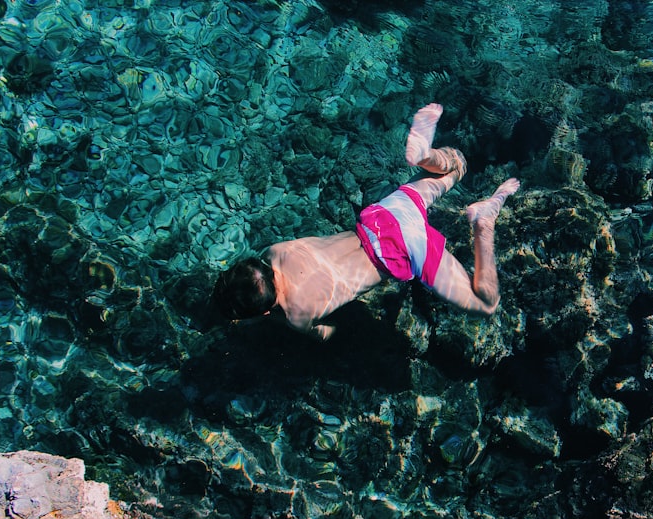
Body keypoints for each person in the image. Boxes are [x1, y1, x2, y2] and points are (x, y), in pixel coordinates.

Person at [212, 103, 520, 341]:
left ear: (265, 310)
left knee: (486, 303)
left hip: (403, 249)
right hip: (383, 216)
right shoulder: (274, 252)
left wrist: (287, 322)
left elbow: (326, 333)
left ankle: (484, 222)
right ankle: (425, 156)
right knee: (457, 166)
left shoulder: (295, 314)